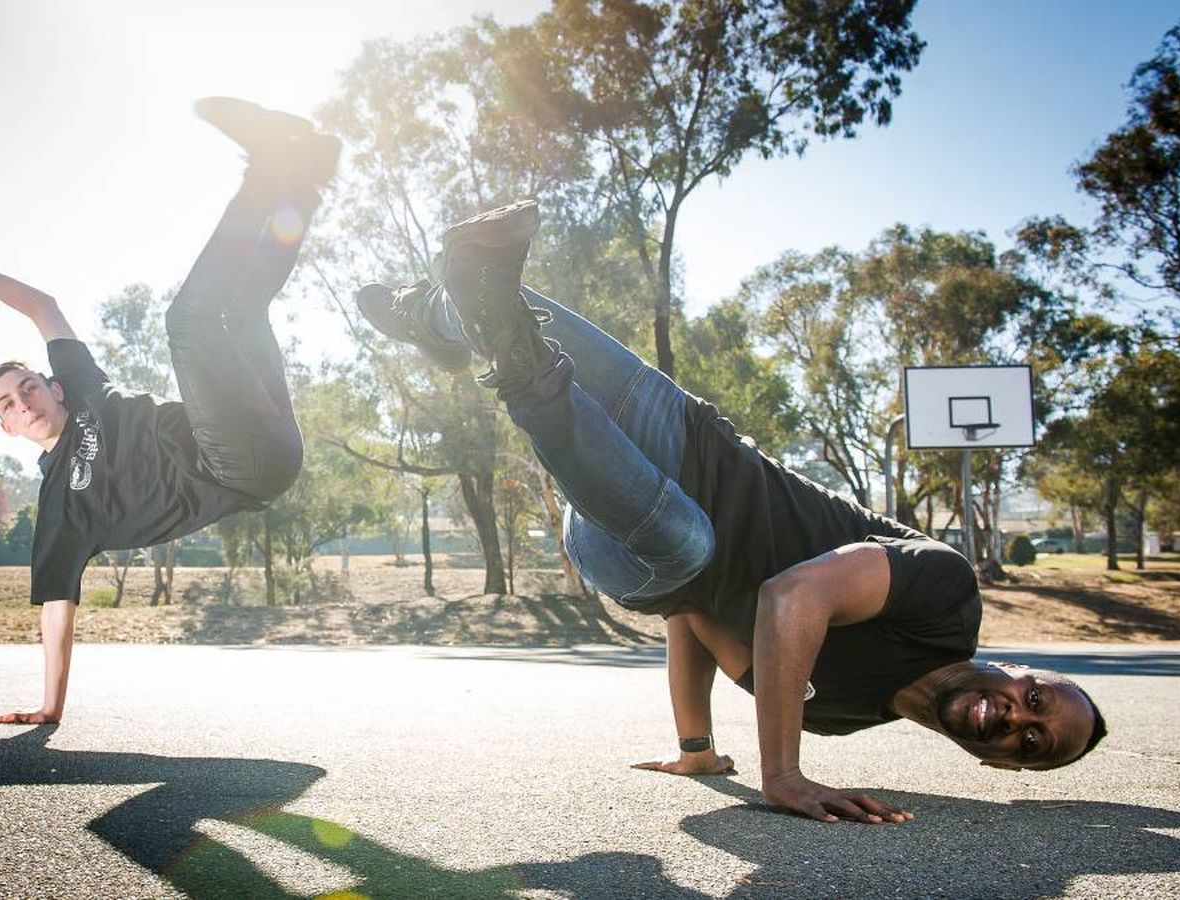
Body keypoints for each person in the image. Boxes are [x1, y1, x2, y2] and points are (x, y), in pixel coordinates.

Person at [353, 199, 1107, 825]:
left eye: (1031, 741)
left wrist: (708, 741)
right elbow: (790, 595)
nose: (1016, 718)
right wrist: (740, 761)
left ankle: (508, 362)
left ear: (997, 763)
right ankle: (438, 318)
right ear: (1018, 670)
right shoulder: (944, 594)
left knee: (686, 548)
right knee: (507, 300)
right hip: (684, 430)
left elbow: (686, 607)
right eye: (1034, 698)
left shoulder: (838, 713)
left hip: (631, 542)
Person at [0, 98, 339, 726]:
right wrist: (50, 707)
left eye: (28, 385)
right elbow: (57, 607)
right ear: (8, 427)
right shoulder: (59, 508)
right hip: (242, 470)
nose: (24, 400)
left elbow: (42, 306)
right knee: (187, 320)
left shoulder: (84, 386)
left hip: (266, 436)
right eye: (9, 404)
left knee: (242, 314)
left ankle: (306, 181)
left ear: (55, 386)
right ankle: (268, 169)